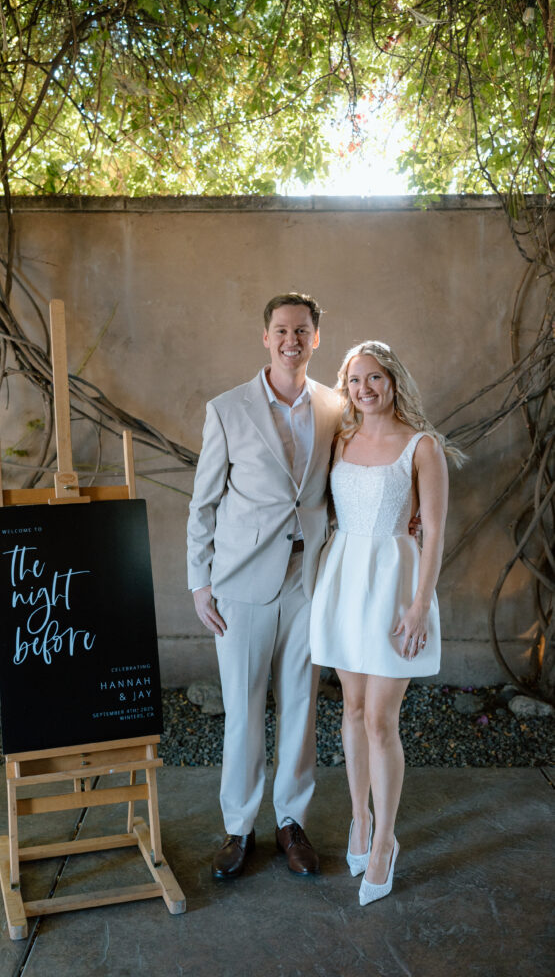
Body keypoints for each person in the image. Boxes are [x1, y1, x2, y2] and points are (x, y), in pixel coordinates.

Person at [187, 293, 342, 878]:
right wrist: (199, 583)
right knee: (244, 711)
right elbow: (203, 504)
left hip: (309, 580)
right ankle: (239, 828)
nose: (290, 340)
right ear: (266, 337)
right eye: (281, 330)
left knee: (301, 707)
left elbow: (346, 485)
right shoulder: (228, 409)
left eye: (301, 331)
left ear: (315, 338)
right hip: (241, 582)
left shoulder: (335, 407)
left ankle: (291, 823)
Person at [310, 339, 463, 905]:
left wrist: (420, 605)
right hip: (344, 579)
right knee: (351, 709)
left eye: (374, 378)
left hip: (395, 585)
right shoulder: (341, 439)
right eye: (354, 381)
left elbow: (435, 532)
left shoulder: (423, 447)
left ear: (393, 381)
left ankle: (384, 843)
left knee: (380, 719)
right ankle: (360, 819)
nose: (364, 389)